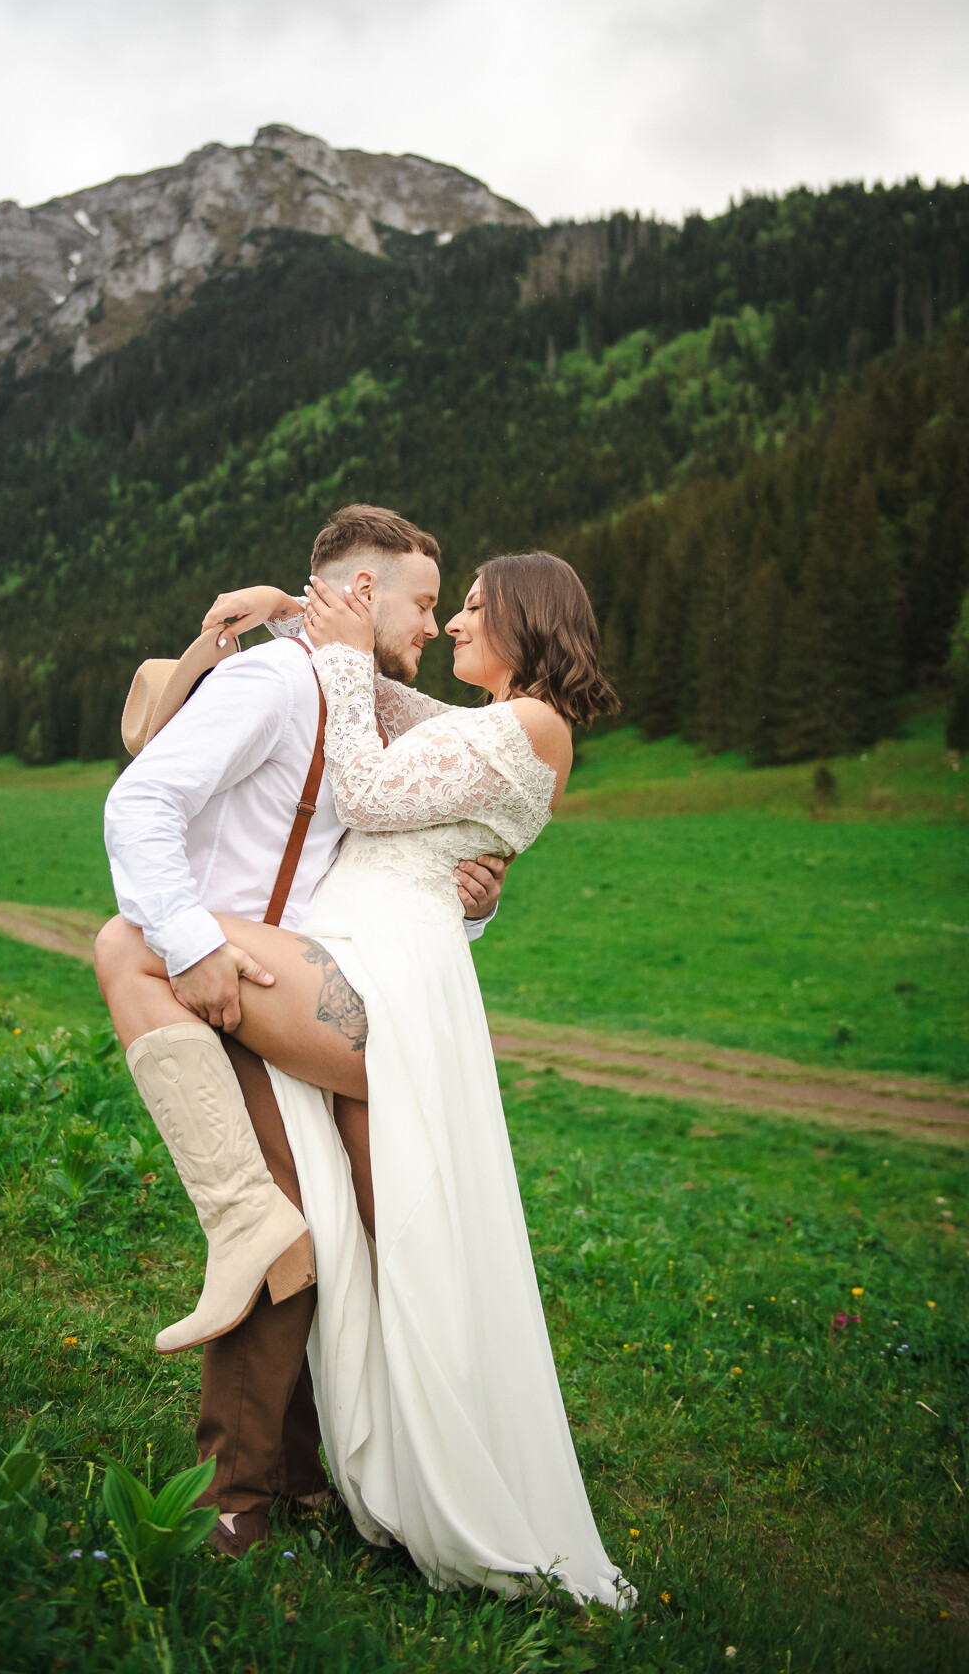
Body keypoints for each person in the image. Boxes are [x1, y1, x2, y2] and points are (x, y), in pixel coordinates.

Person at [101, 544, 634, 1605]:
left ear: (526, 620)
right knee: (368, 1244)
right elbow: (398, 730)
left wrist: (344, 656)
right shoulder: (484, 722)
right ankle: (327, 1469)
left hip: (374, 982)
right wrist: (278, 616)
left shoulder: (534, 726)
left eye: (469, 606)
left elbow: (368, 786)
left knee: (131, 942)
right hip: (350, 967)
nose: (451, 625)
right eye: (439, 604)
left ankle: (283, 1417)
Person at [95, 505, 507, 1554]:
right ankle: (237, 1497)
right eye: (423, 602)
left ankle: (307, 1473)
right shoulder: (275, 684)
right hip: (236, 990)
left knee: (354, 1233)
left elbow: (383, 862)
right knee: (282, 1229)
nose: (431, 625)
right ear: (364, 593)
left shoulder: (358, 697)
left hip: (318, 995)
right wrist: (191, 944)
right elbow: (140, 805)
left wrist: (472, 897)